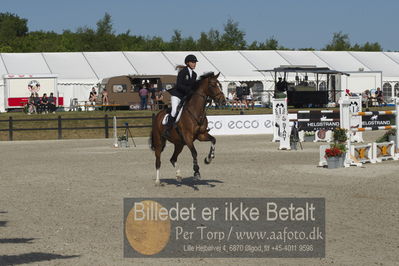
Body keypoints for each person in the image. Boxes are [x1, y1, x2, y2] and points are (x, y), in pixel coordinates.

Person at [164, 54, 198, 137]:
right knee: (175, 111)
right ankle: (167, 129)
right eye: (192, 62)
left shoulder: (194, 75)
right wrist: (189, 90)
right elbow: (179, 85)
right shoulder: (182, 72)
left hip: (185, 96)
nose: (194, 64)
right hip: (177, 95)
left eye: (195, 62)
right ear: (187, 63)